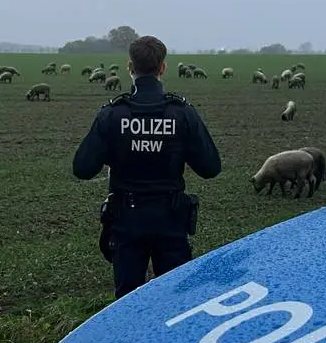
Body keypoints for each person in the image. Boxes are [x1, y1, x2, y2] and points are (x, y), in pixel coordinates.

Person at [72, 35, 222, 298]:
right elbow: (211, 168)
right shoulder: (182, 113)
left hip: (126, 221)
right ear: (162, 68)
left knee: (128, 303)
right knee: (177, 300)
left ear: (130, 67)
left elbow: (82, 168)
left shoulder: (112, 114)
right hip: (171, 219)